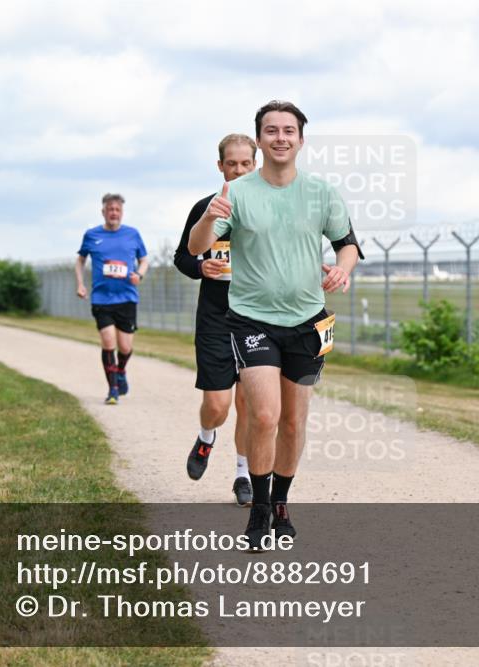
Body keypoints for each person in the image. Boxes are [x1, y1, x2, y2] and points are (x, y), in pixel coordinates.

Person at [189, 100, 362, 548]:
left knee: (293, 423)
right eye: (271, 130)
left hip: (308, 321)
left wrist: (343, 268)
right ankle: (259, 512)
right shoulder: (238, 192)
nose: (280, 137)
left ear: (301, 140)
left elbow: (348, 244)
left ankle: (282, 502)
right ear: (260, 138)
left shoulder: (322, 192)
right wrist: (209, 217)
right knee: (264, 415)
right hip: (251, 318)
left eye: (289, 130)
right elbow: (196, 247)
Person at [175, 134, 258, 506]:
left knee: (251, 404)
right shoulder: (204, 208)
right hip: (215, 318)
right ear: (220, 166)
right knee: (218, 406)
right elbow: (182, 257)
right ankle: (207, 437)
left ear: (255, 165)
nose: (239, 170)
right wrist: (200, 266)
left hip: (258, 318)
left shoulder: (267, 208)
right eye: (232, 164)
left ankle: (243, 474)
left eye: (245, 164)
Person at [75, 193, 150, 405]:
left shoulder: (132, 234)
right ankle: (113, 389)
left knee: (125, 347)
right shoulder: (92, 235)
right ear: (103, 212)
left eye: (117, 209)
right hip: (101, 298)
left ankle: (121, 370)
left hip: (127, 297)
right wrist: (80, 284)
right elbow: (80, 261)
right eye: (110, 209)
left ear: (122, 212)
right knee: (108, 340)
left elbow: (143, 260)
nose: (113, 213)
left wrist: (140, 275)